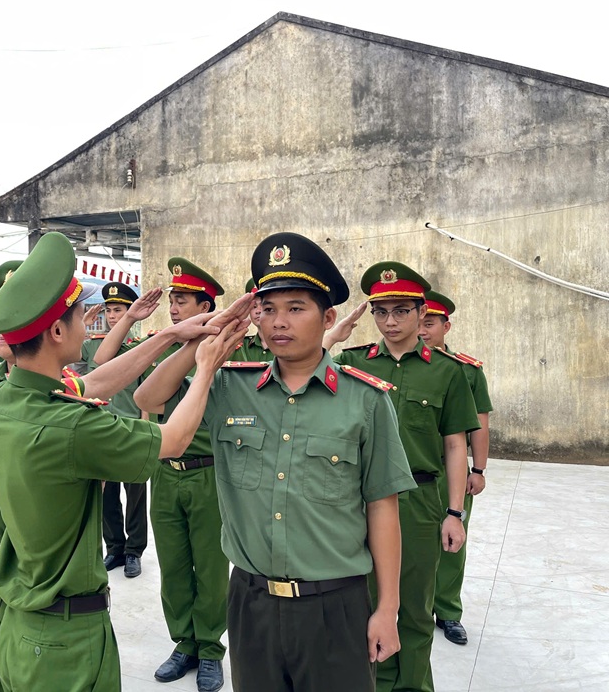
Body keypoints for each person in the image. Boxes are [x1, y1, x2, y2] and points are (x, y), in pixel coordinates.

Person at [0, 231, 251, 692]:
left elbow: (95, 382)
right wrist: (204, 366)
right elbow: (175, 438)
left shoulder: (2, 400)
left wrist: (172, 337)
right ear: (57, 332)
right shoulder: (72, 427)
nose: (89, 322)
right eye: (81, 314)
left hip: (21, 626)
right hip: (68, 643)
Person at [134, 232, 416, 692]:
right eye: (267, 309)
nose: (278, 322)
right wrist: (200, 345)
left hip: (335, 604)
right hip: (251, 602)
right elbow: (148, 398)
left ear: (328, 318)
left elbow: (382, 506)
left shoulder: (365, 401)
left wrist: (387, 608)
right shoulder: (229, 386)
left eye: (296, 308)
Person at [328, 262, 480, 692]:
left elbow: (456, 445)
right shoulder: (352, 363)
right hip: (359, 500)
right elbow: (298, 376)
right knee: (364, 604)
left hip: (418, 500)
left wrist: (455, 513)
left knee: (414, 608)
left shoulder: (447, 371)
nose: (389, 322)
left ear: (421, 312)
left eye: (400, 311)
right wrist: (332, 338)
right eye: (381, 312)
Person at [94, 258, 230, 692]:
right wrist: (132, 320)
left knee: (210, 568)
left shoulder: (228, 348)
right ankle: (184, 643)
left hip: (209, 473)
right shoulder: (163, 346)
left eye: (183, 301)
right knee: (173, 566)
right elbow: (102, 361)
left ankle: (210, 649)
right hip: (167, 472)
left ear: (206, 306)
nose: (173, 309)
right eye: (172, 301)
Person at [419, 290, 492, 646]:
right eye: (419, 322)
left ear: (445, 327)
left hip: (452, 471)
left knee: (451, 542)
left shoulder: (466, 370)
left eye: (430, 323)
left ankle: (447, 611)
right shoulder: (394, 366)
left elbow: (479, 424)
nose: (422, 330)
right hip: (410, 469)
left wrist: (478, 470)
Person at [81, 282, 149, 579]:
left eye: (118, 310)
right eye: (108, 310)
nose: (111, 316)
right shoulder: (92, 346)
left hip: (131, 429)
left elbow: (147, 390)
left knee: (135, 496)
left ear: (131, 312)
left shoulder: (140, 347)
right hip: (101, 429)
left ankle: (134, 551)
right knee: (106, 496)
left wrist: (146, 426)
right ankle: (115, 548)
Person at [230, 278, 271, 363]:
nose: (258, 311)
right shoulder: (239, 347)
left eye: (264, 305)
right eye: (254, 306)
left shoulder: (292, 346)